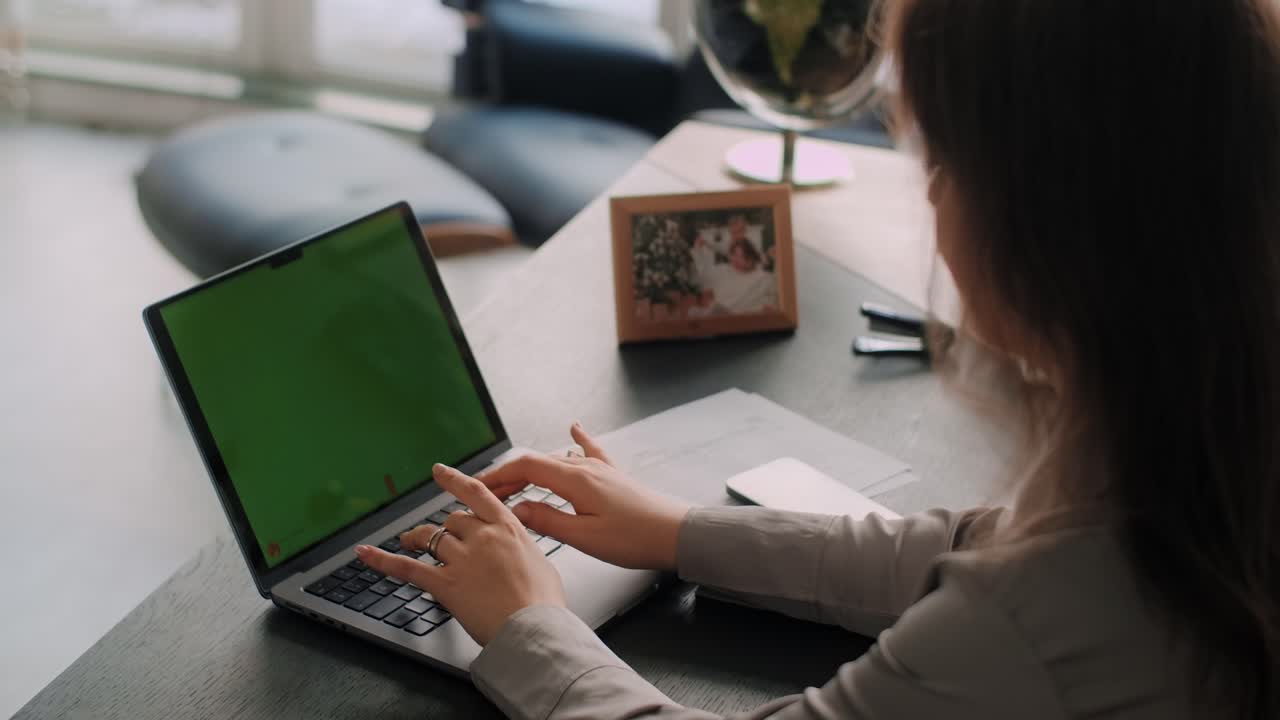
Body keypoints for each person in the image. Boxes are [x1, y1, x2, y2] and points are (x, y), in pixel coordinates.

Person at [357, 0, 1280, 717]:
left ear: (1045, 225)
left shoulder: (1028, 628)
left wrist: (529, 624)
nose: (930, 194)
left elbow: (1003, 584)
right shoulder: (1213, 460)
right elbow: (968, 543)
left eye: (942, 163)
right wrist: (679, 531)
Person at [689, 232, 777, 316]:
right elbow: (702, 275)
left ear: (752, 258)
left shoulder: (765, 278)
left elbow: (772, 302)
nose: (736, 260)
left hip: (744, 320)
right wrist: (698, 250)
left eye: (742, 257)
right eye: (734, 255)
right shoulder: (723, 270)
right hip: (719, 317)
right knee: (694, 311)